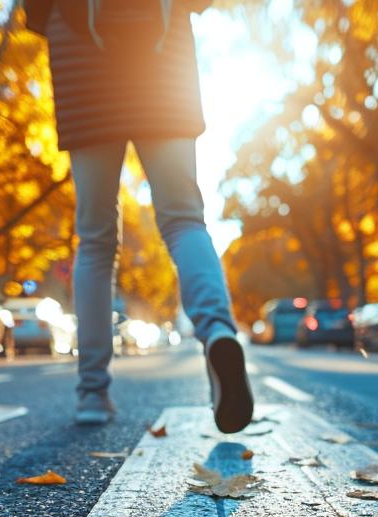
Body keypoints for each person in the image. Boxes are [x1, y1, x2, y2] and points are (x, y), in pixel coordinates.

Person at [24, 0, 254, 432]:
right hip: (163, 74)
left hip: (85, 77)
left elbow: (34, 12)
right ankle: (218, 331)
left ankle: (92, 393)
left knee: (95, 240)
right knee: (185, 221)